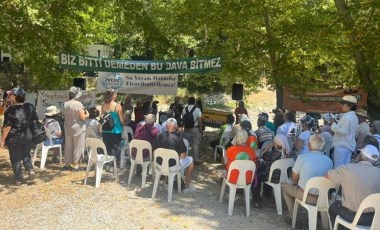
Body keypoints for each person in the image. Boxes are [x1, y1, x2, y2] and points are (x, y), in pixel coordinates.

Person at [326, 144, 380, 228]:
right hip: (374, 217)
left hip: (351, 216)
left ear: (360, 156)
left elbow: (327, 176)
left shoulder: (347, 168)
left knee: (333, 208)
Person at [282, 135, 333, 223]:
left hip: (307, 196)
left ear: (309, 145)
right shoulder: (329, 161)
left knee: (285, 187)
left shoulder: (302, 157)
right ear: (322, 147)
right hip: (323, 197)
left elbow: (294, 179)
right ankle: (321, 218)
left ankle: (292, 216)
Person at [0, 87, 39, 186]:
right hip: (28, 136)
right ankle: (30, 169)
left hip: (14, 137)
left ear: (16, 96)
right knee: (26, 154)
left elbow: (7, 126)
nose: (9, 96)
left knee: (15, 158)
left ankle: (18, 179)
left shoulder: (10, 110)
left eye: (11, 94)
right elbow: (34, 121)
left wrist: (2, 140)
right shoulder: (30, 107)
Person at [154, 118, 195, 193]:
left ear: (166, 126)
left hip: (159, 164)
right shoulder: (179, 138)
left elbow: (155, 150)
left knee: (167, 158)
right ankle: (186, 187)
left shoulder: (159, 135)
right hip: (172, 166)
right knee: (191, 161)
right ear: (176, 127)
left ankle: (166, 182)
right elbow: (183, 156)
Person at [64, 86, 89, 171]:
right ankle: (76, 164)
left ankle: (67, 163)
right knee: (78, 146)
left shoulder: (66, 103)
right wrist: (87, 114)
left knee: (68, 146)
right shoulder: (78, 104)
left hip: (68, 127)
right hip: (78, 127)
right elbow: (82, 117)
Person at [330, 95, 358, 168]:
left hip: (341, 146)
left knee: (338, 169)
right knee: (345, 169)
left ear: (349, 106)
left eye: (343, 104)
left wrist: (333, 124)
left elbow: (344, 131)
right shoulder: (354, 116)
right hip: (349, 146)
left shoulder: (346, 116)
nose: (341, 106)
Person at [101, 88, 124, 164]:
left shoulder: (103, 105)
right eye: (115, 94)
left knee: (107, 147)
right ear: (113, 95)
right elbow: (121, 120)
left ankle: (108, 163)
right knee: (115, 148)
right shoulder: (117, 106)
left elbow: (101, 117)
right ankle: (113, 165)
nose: (116, 95)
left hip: (105, 130)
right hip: (115, 130)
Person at [182, 96, 202, 165]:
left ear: (188, 102)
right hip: (195, 128)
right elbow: (200, 121)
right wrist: (201, 129)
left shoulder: (184, 109)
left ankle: (184, 157)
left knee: (186, 144)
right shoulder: (198, 110)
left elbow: (183, 119)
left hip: (186, 129)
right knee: (195, 144)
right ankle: (196, 159)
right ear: (194, 102)